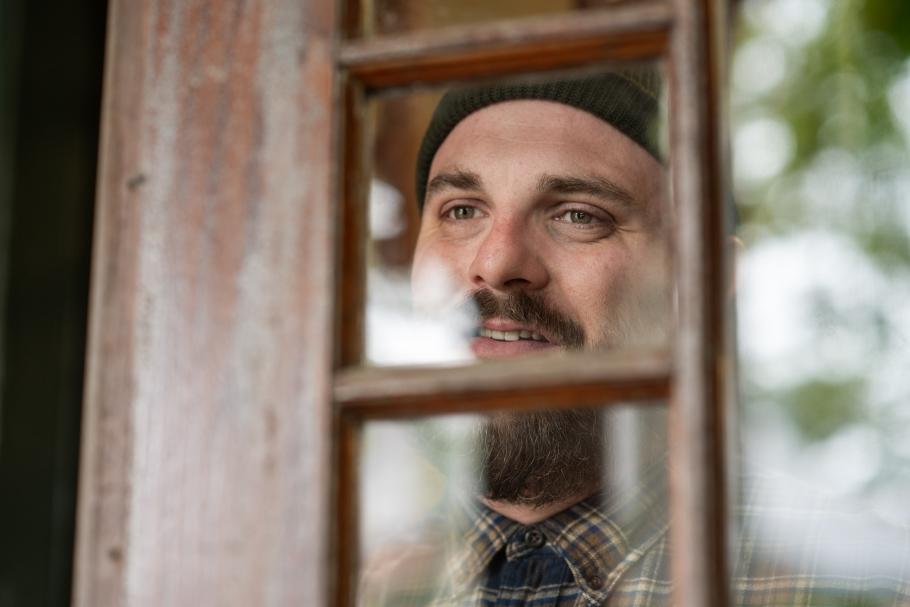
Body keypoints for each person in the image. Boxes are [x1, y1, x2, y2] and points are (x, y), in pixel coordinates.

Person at [359, 69, 910, 607]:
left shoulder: (864, 584)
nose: (497, 262)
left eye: (579, 215)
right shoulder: (327, 573)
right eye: (461, 211)